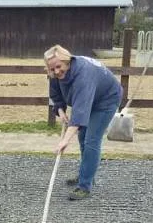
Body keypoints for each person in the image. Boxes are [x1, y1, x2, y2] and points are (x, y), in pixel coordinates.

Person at [44, 44, 123, 200]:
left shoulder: (83, 76)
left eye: (59, 67)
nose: (57, 71)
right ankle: (85, 174)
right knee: (82, 137)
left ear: (67, 61)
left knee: (91, 140)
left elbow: (79, 114)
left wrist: (64, 141)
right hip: (88, 98)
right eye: (52, 69)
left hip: (105, 100)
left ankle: (84, 186)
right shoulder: (55, 73)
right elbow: (55, 92)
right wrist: (60, 110)